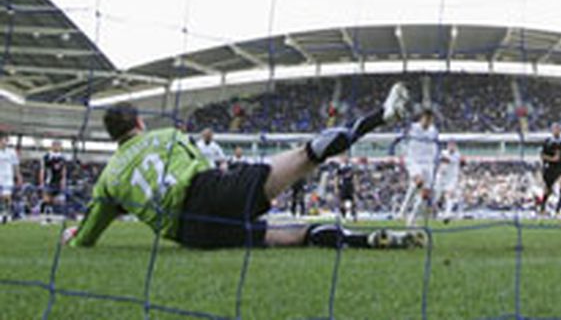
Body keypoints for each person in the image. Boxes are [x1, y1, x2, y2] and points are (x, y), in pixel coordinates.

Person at [63, 82, 425, 250]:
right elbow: (204, 166)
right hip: (211, 192)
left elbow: (89, 234)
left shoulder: (108, 178)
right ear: (139, 123)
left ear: (114, 136)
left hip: (192, 236)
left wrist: (74, 237)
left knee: (292, 236)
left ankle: (375, 241)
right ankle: (381, 115)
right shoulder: (167, 135)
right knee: (305, 156)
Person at [397, 108, 439, 226]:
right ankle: (403, 210)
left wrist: (435, 161)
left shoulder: (433, 130)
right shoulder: (412, 127)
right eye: (426, 119)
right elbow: (401, 133)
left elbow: (435, 146)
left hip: (429, 163)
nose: (428, 122)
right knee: (418, 181)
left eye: (430, 120)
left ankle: (411, 219)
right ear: (422, 118)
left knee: (425, 194)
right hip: (414, 160)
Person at [538, 123, 561, 216]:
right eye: (555, 129)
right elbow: (542, 155)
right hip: (550, 167)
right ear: (552, 130)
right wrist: (552, 159)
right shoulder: (547, 141)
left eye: (558, 128)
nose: (557, 130)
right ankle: (542, 208)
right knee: (548, 190)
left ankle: (558, 209)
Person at [434, 140, 461, 222]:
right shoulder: (443, 152)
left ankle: (447, 214)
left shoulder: (457, 155)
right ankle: (438, 213)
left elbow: (447, 160)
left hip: (451, 178)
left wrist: (439, 157)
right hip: (440, 177)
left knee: (449, 195)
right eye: (450, 145)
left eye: (453, 145)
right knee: (436, 197)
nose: (451, 147)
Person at [39, 140, 67, 221]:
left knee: (54, 201)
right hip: (49, 181)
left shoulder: (62, 157)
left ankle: (49, 217)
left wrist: (63, 181)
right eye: (55, 145)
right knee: (46, 199)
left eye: (59, 145)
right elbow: (43, 169)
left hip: (58, 182)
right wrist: (41, 181)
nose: (57, 147)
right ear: (52, 146)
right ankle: (44, 217)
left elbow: (63, 170)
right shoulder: (47, 157)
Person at [0, 132, 22, 223]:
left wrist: (19, 176)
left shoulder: (12, 152)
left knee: (7, 197)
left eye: (7, 140)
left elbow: (15, 165)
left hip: (8, 178)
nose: (6, 141)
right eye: (5, 139)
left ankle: (6, 214)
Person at [335, 155, 358, 222]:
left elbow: (354, 176)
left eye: (346, 157)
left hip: (350, 186)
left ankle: (354, 215)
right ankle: (343, 215)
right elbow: (337, 178)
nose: (345, 158)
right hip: (343, 186)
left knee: (353, 201)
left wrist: (356, 185)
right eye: (344, 157)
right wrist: (336, 187)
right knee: (342, 201)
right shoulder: (340, 167)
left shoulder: (351, 167)